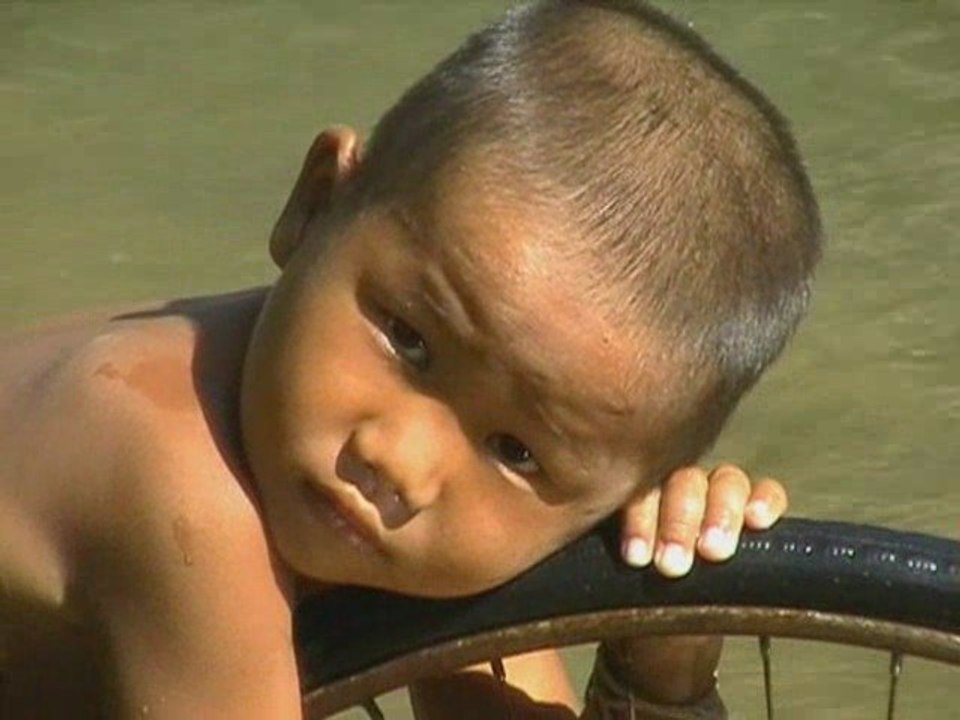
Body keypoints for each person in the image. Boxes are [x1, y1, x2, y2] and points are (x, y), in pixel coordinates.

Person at [0, 0, 820, 718]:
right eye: (408, 340)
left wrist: (658, 649)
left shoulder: (382, 498)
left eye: (517, 451)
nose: (399, 461)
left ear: (617, 495)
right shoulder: (182, 492)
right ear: (315, 203)